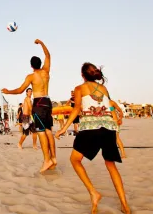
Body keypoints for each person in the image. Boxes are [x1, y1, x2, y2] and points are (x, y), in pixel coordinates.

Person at [55, 63, 130, 214]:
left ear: (83, 75)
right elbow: (109, 106)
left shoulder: (79, 88)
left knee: (75, 160)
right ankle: (124, 205)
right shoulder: (104, 89)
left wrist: (63, 128)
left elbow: (76, 109)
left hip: (90, 127)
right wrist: (115, 120)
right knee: (111, 165)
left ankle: (93, 193)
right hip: (108, 128)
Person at [2, 39, 56, 173]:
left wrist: (8, 91)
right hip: (48, 102)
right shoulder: (46, 72)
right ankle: (53, 158)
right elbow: (48, 56)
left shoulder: (31, 76)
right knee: (48, 131)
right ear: (40, 64)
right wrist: (41, 43)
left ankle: (47, 160)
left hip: (38, 102)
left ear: (32, 66)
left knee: (41, 133)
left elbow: (20, 90)